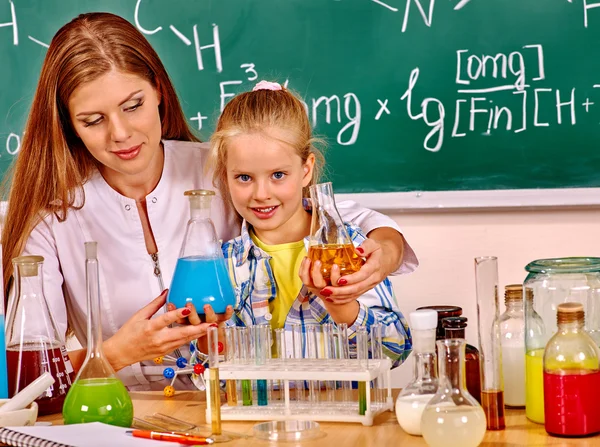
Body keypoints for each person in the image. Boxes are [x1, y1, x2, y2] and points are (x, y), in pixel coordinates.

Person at [1, 13, 416, 390]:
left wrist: (385, 250)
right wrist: (116, 352)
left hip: (228, 409)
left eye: (134, 106)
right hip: (121, 411)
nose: (121, 133)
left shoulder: (223, 167)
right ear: (68, 124)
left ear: (159, 91)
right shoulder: (53, 220)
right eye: (93, 120)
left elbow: (334, 218)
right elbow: (26, 376)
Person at [207, 81, 416, 366]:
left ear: (306, 170)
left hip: (338, 410)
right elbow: (208, 371)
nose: (261, 194)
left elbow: (396, 350)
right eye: (244, 177)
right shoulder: (223, 264)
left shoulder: (349, 250)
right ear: (225, 175)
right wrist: (207, 336)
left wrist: (342, 307)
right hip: (254, 412)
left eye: (278, 175)